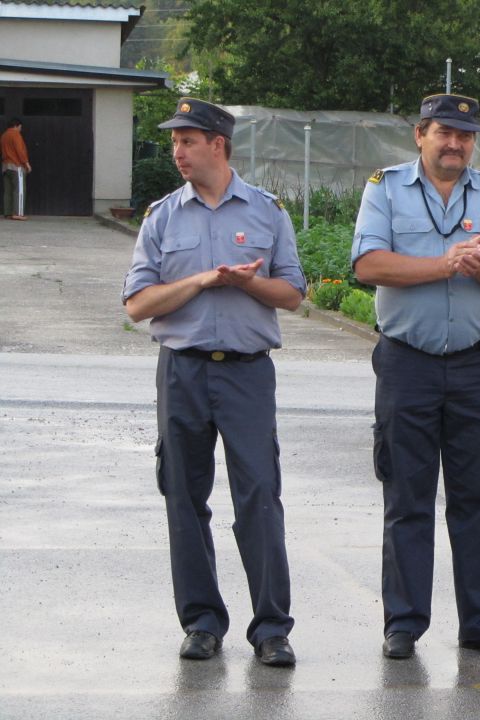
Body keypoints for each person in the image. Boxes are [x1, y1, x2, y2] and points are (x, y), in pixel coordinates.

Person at [122, 98, 305, 667]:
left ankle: (272, 628)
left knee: (259, 498)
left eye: (187, 141)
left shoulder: (266, 212)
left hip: (248, 373)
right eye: (175, 141)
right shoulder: (162, 217)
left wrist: (247, 283)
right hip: (183, 371)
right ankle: (201, 622)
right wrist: (201, 281)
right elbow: (137, 304)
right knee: (184, 497)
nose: (177, 152)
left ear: (217, 145)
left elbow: (294, 294)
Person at [352, 93, 480, 660]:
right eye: (444, 133)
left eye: (465, 135)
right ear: (420, 135)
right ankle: (403, 623)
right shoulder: (385, 188)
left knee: (477, 499)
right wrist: (444, 264)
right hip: (409, 363)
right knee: (407, 497)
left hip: (477, 365)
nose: (455, 143)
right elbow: (368, 265)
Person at [1, 117, 31, 220]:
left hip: (5, 166)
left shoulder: (4, 135)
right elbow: (20, 150)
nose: (20, 129)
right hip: (16, 165)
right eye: (20, 127)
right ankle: (18, 213)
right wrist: (26, 163)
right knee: (19, 190)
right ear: (16, 126)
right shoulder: (15, 134)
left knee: (8, 191)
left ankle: (8, 212)